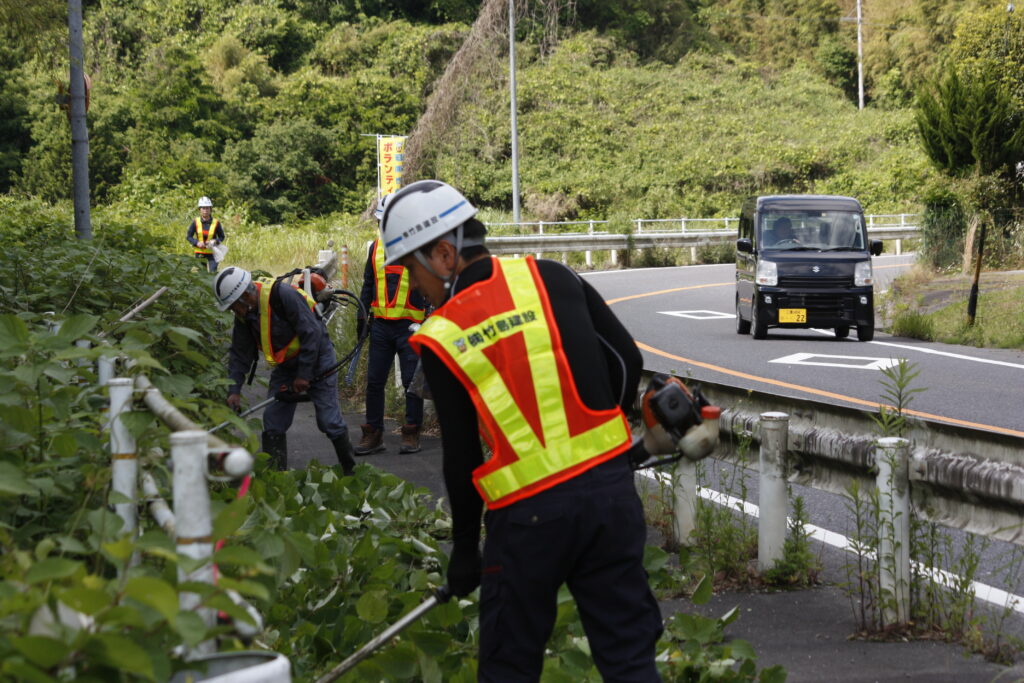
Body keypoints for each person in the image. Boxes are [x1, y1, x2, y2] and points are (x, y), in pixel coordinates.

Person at [379, 180, 663, 681]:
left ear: (445, 254)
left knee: (510, 665)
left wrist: (465, 550)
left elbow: (462, 458)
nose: (413, 286)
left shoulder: (443, 333)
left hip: (528, 520)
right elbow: (627, 361)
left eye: (411, 270)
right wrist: (604, 442)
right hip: (610, 500)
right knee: (628, 657)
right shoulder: (550, 276)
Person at [212, 266, 356, 475]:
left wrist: (304, 375)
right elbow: (239, 353)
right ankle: (276, 480)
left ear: (245, 296)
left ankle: (352, 474)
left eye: (234, 306)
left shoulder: (283, 296)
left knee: (329, 421)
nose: (234, 312)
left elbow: (312, 334)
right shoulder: (245, 314)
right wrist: (234, 389)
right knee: (273, 423)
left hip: (318, 359)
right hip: (287, 366)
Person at [353, 194, 428, 456]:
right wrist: (361, 318)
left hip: (410, 327)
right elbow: (368, 284)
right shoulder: (375, 248)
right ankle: (373, 434)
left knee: (411, 382)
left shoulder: (418, 247)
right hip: (382, 327)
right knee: (374, 382)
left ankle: (411, 432)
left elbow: (431, 286)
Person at [187, 196, 226, 273]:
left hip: (213, 252)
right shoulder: (195, 222)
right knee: (202, 274)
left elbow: (222, 237)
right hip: (200, 252)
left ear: (210, 209)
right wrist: (196, 242)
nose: (205, 210)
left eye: (207, 208)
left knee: (213, 273)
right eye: (203, 208)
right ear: (199, 209)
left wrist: (215, 241)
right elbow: (189, 236)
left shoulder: (216, 222)